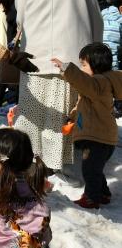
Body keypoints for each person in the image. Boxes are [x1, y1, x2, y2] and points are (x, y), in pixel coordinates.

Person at [13, 0, 103, 179]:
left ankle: (28, 157)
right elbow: (95, 16)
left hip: (34, 57)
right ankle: (52, 163)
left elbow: (20, 20)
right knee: (58, 114)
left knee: (32, 113)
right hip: (70, 58)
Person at [51, 43, 122, 208]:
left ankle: (92, 197)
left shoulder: (99, 83)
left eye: (83, 65)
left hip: (97, 138)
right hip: (103, 137)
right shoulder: (99, 86)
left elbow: (83, 82)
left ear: (95, 65)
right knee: (95, 169)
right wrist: (72, 116)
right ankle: (103, 193)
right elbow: (83, 105)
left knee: (90, 170)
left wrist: (67, 69)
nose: (81, 69)